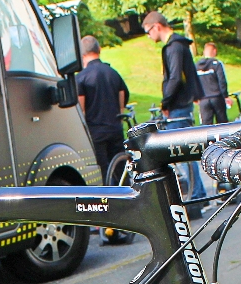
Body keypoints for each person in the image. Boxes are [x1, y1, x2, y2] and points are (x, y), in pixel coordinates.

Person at [142, 11, 207, 207]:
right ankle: (198, 193)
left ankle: (196, 195)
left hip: (177, 105)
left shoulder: (174, 47)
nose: (148, 36)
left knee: (180, 151)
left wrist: (166, 102)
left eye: (147, 31)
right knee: (183, 151)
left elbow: (175, 78)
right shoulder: (178, 45)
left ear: (157, 26)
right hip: (181, 104)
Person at [75, 35, 130, 181]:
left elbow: (81, 108)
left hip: (95, 131)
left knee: (102, 170)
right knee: (121, 168)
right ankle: (127, 198)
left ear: (82, 55)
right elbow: (123, 93)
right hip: (115, 128)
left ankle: (108, 200)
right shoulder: (113, 73)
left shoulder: (81, 77)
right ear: (99, 49)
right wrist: (119, 113)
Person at [196, 42, 230, 124]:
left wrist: (195, 97)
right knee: (222, 125)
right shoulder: (217, 64)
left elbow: (193, 82)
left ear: (204, 52)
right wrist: (225, 96)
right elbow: (222, 81)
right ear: (214, 51)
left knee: (206, 127)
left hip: (203, 99)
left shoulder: (196, 66)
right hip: (217, 97)